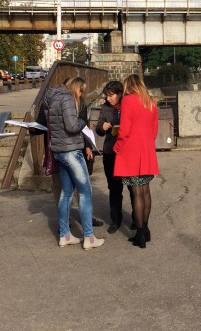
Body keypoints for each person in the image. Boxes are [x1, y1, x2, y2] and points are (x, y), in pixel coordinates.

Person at [44, 76, 105, 250]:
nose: (81, 94)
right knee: (86, 192)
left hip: (59, 151)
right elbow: (71, 126)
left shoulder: (53, 98)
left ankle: (64, 235)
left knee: (66, 193)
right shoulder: (68, 99)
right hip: (72, 150)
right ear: (76, 87)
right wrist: (82, 122)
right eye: (81, 90)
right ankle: (89, 237)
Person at [113, 74, 159, 249]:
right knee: (145, 190)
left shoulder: (128, 100)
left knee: (136, 192)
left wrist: (117, 147)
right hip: (146, 149)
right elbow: (155, 129)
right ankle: (145, 230)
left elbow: (124, 129)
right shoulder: (151, 101)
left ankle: (139, 233)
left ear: (128, 86)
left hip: (131, 150)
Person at [95, 80, 135, 234]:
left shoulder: (128, 104)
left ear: (120, 94)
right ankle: (115, 220)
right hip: (110, 152)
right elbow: (98, 129)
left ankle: (136, 218)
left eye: (111, 95)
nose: (108, 99)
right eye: (106, 96)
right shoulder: (105, 108)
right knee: (114, 188)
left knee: (132, 187)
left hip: (127, 152)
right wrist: (102, 128)